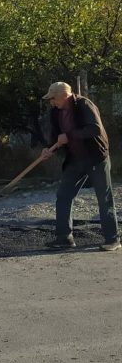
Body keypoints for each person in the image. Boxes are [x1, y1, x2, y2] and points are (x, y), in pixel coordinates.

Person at [38, 81, 120, 251]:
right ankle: (64, 238)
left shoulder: (84, 105)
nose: (51, 102)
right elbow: (57, 137)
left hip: (96, 157)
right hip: (75, 160)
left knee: (104, 198)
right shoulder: (55, 112)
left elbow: (95, 129)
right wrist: (49, 149)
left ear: (64, 95)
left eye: (53, 98)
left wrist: (69, 135)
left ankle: (112, 239)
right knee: (63, 195)